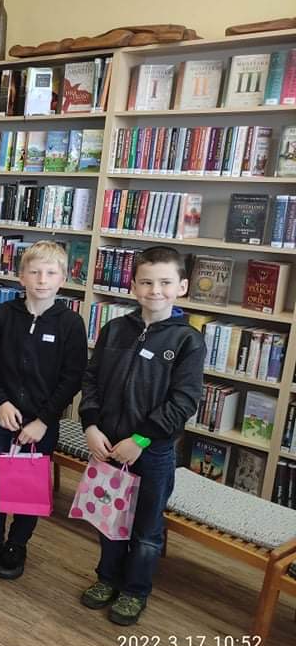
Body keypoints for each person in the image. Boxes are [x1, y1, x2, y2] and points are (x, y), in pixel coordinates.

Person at [78, 246, 204, 626]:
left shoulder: (188, 341)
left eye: (165, 282)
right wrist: (91, 425)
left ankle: (135, 590)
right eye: (146, 282)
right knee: (110, 519)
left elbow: (184, 401)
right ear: (133, 286)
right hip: (108, 446)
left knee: (146, 530)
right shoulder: (115, 329)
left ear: (181, 286)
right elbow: (91, 380)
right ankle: (107, 579)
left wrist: (142, 440)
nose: (155, 290)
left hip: (152, 453)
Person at [0, 241, 88, 579]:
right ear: (21, 277)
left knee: (29, 485)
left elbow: (72, 377)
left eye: (50, 273)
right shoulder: (4, 315)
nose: (42, 279)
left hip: (41, 424)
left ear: (63, 279)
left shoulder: (70, 324)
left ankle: (17, 544)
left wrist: (44, 420)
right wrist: (0, 402)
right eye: (34, 272)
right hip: (3, 417)